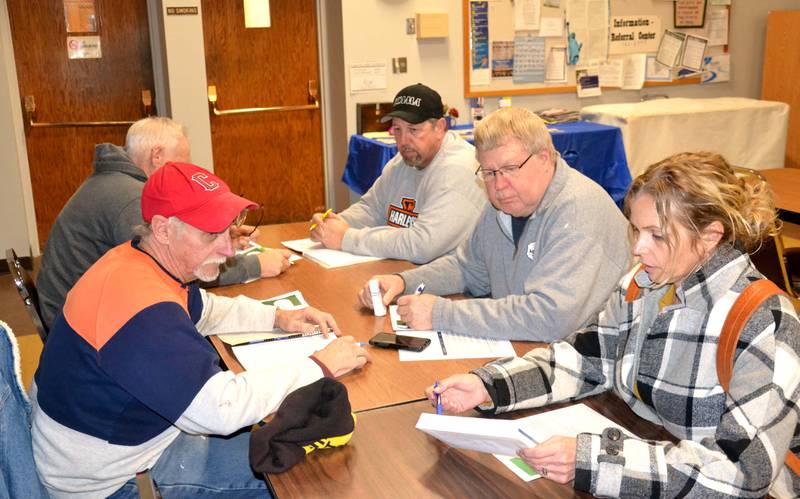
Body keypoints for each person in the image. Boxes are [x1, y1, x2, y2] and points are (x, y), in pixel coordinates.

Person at [427, 152, 800, 498]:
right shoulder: (645, 282)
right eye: (636, 231)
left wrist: (596, 461)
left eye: (656, 235)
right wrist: (490, 385)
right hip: (655, 452)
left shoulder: (764, 321)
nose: (638, 249)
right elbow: (587, 358)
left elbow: (740, 474)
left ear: (710, 236)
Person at [30, 162, 371, 498]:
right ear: (163, 229)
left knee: (279, 433)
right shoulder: (144, 315)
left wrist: (278, 317)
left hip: (109, 450)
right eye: (210, 234)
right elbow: (223, 408)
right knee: (310, 477)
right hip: (114, 481)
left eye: (228, 230)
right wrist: (320, 366)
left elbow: (204, 308)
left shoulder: (137, 261)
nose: (228, 248)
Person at [359, 107, 630, 341]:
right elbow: (468, 268)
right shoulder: (502, 206)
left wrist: (441, 314)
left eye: (511, 169)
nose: (499, 185)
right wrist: (402, 283)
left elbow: (550, 318)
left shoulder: (578, 211)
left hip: (591, 366)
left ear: (545, 159)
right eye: (489, 173)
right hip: (530, 351)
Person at [36, 116, 292, 330]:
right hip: (88, 327)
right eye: (181, 163)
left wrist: (218, 232)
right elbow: (179, 266)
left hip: (78, 313)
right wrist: (255, 265)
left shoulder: (114, 181)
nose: (185, 173)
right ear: (157, 155)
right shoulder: (131, 198)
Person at [310, 83, 486, 264]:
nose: (403, 141)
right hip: (406, 270)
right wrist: (331, 224)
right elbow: (371, 208)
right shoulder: (406, 160)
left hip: (451, 278)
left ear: (439, 128)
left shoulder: (457, 171)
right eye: (397, 129)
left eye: (413, 130)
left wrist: (346, 238)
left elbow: (421, 245)